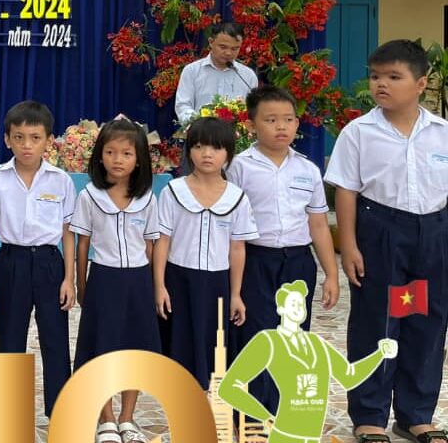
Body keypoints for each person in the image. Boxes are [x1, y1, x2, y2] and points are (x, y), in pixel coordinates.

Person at [324, 39, 448, 443]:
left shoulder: (442, 133)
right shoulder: (359, 132)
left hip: (432, 235)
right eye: (376, 76)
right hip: (380, 232)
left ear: (421, 83)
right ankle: (370, 415)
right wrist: (349, 246)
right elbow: (346, 191)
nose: (382, 84)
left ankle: (415, 414)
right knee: (378, 321)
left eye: (394, 77)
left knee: (426, 323)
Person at [227, 85, 339, 416]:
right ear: (251, 125)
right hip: (255, 260)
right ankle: (252, 416)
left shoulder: (308, 169)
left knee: (293, 336)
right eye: (271, 119)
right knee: (257, 334)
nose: (281, 127)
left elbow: (318, 224)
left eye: (289, 119)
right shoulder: (239, 167)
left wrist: (332, 274)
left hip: (298, 262)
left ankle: (284, 412)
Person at [0, 100, 76, 418]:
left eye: (35, 138)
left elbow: (68, 232)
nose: (27, 145)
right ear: (7, 139)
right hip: (11, 262)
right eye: (18, 137)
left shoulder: (60, 180)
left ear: (49, 140)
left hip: (49, 263)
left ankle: (60, 410)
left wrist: (69, 278)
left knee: (55, 339)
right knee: (10, 337)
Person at [219, 280, 397, 443]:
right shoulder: (268, 342)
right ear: (281, 308)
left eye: (301, 304)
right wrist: (265, 417)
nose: (298, 308)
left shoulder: (316, 343)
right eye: (293, 304)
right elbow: (228, 387)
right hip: (284, 436)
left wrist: (379, 354)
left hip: (313, 438)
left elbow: (349, 377)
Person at [71, 118, 160, 443]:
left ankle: (127, 417)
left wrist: (154, 286)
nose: (117, 159)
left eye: (126, 153)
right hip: (104, 280)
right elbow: (82, 243)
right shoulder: (89, 196)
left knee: (134, 350)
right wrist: (81, 284)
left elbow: (151, 244)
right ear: (99, 155)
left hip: (138, 281)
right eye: (110, 152)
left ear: (139, 159)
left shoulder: (148, 198)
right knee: (102, 347)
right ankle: (106, 417)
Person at [154, 116, 257, 390]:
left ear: (228, 153)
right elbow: (162, 240)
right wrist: (160, 286)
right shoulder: (173, 191)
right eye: (199, 146)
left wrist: (236, 294)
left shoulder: (237, 197)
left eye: (216, 147)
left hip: (217, 284)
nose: (207, 154)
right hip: (179, 281)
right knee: (179, 348)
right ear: (189, 151)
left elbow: (237, 248)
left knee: (214, 351)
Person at [174, 22, 258, 124]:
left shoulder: (248, 76)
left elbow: (254, 111)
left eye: (235, 49)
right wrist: (201, 124)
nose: (228, 53)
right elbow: (183, 106)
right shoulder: (192, 71)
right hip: (201, 131)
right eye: (223, 47)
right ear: (211, 42)